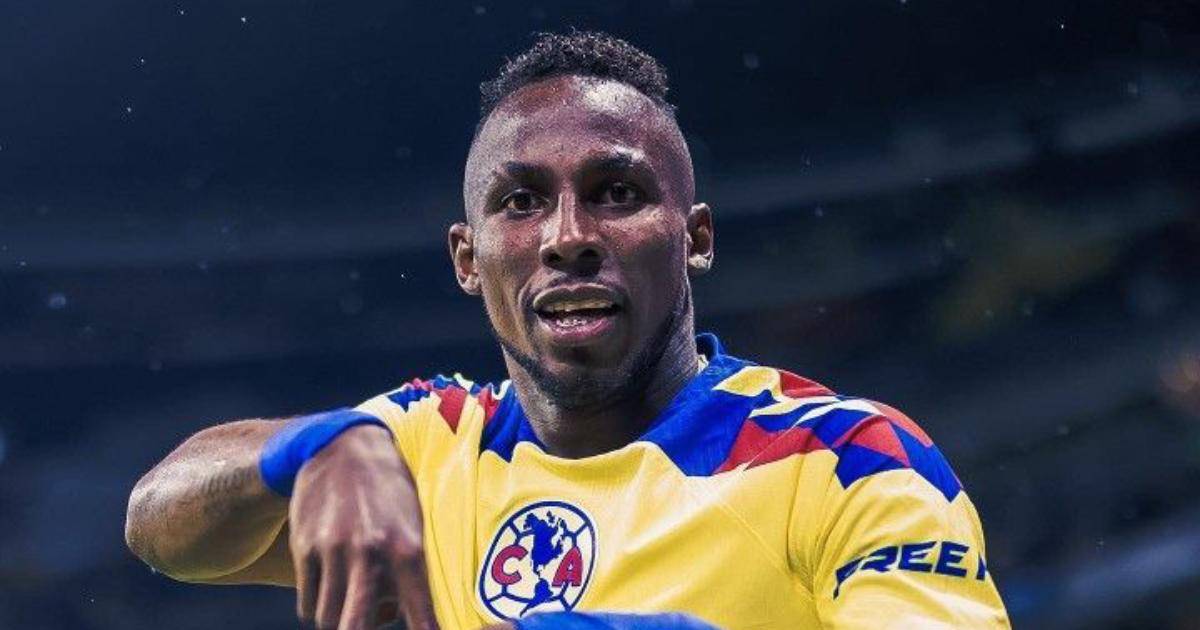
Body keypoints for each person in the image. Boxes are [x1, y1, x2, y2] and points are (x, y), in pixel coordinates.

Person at [125, 31, 1010, 630]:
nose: (568, 237)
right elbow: (159, 525)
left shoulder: (842, 457)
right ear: (468, 260)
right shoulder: (431, 445)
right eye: (521, 202)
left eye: (616, 193)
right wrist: (320, 447)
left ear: (695, 238)